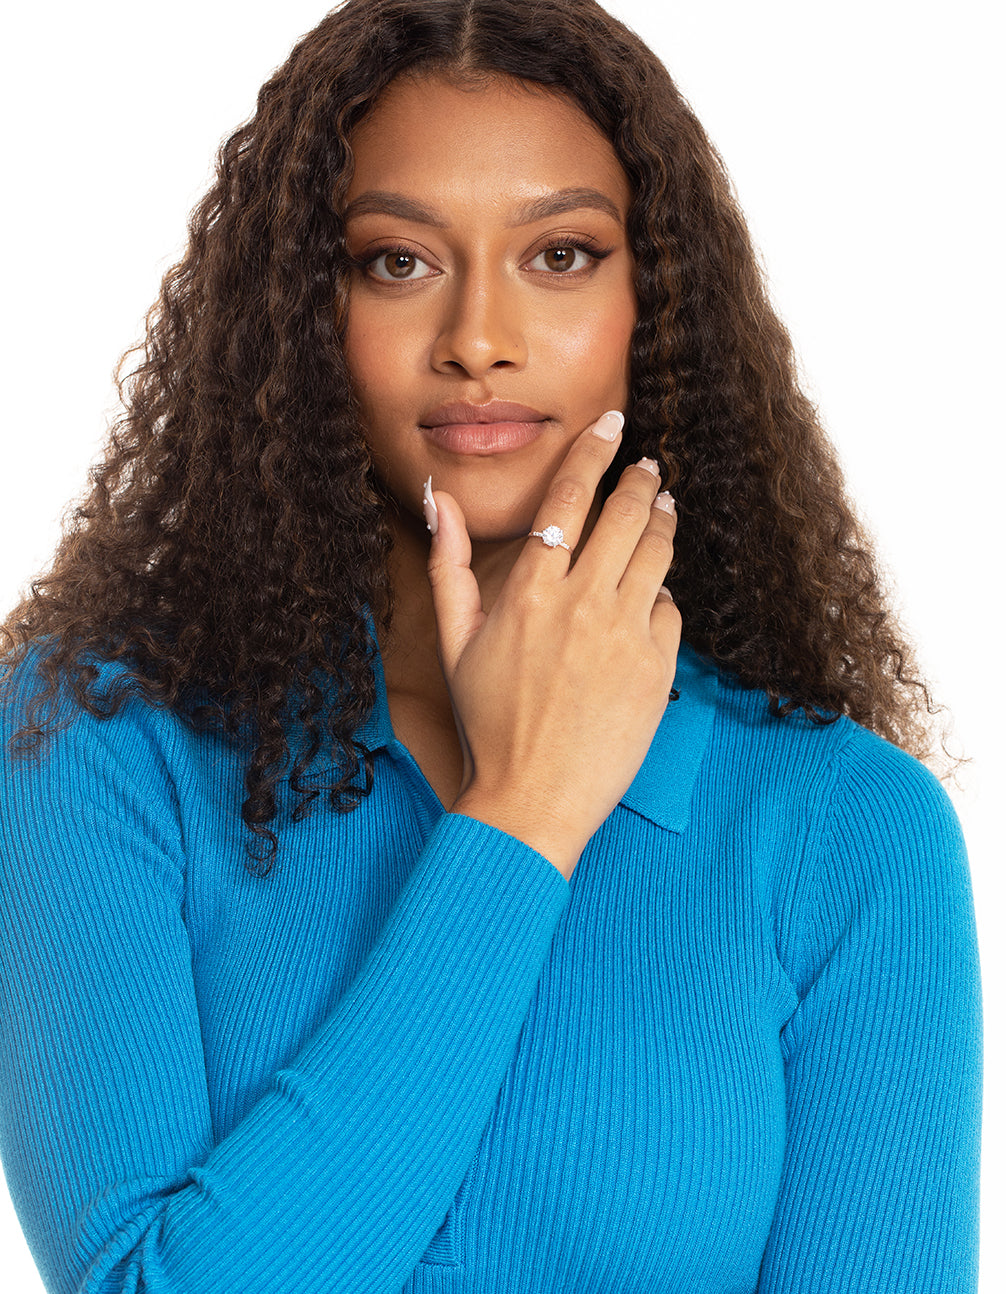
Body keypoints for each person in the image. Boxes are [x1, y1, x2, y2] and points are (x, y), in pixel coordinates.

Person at [0, 0, 981, 1291]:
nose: (477, 339)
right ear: (303, 313)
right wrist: (521, 815)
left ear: (654, 303)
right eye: (396, 262)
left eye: (560, 255)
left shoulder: (846, 829)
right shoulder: (99, 741)